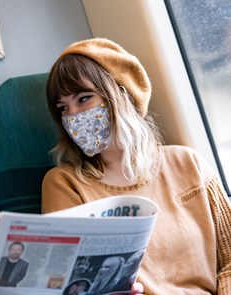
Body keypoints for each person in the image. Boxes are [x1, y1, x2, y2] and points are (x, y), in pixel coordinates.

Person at [42, 37, 231, 294]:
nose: (72, 115)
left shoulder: (189, 163)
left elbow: (229, 259)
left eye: (84, 99)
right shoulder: (64, 183)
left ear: (121, 97)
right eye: (63, 108)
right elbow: (68, 281)